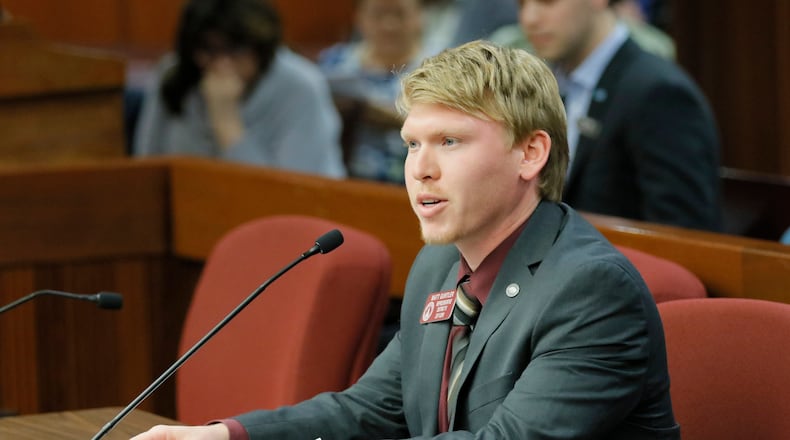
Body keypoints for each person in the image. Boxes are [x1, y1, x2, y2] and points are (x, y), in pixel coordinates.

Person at [133, 41, 679, 439]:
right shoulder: (439, 266)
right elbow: (373, 409)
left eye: (449, 141)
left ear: (530, 154)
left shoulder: (591, 290)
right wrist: (225, 436)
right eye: (412, 145)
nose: (421, 169)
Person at [518, 0, 721, 231]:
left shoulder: (658, 91)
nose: (529, 19)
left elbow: (685, 235)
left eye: (547, 1)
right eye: (520, 3)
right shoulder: (545, 83)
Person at [133, 0, 346, 178]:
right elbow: (147, 165)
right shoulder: (174, 74)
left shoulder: (301, 86)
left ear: (260, 47)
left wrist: (226, 119)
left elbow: (288, 194)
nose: (221, 64)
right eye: (208, 49)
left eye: (234, 50)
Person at [318, 0, 432, 184]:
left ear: (420, 16)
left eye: (399, 14)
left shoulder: (439, 68)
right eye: (378, 14)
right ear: (359, 18)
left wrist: (391, 119)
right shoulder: (334, 62)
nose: (389, 25)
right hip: (340, 176)